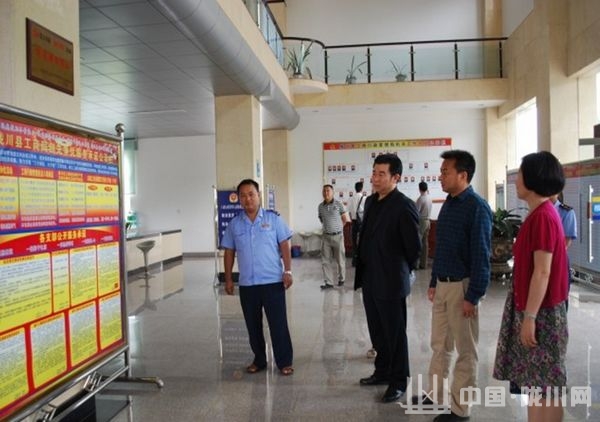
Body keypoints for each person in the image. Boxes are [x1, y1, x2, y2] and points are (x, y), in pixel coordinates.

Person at [414, 150, 492, 422]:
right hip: (443, 285)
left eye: (445, 171)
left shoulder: (477, 207)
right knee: (440, 344)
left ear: (463, 175)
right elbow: (442, 248)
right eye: (441, 171)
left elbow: (481, 255)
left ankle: (461, 409)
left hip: (463, 287)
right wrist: (433, 281)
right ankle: (436, 394)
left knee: (466, 351)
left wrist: (473, 296)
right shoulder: (449, 204)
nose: (441, 176)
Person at [493, 151, 569, 422]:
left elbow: (542, 272)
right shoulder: (538, 214)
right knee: (538, 384)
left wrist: (530, 317)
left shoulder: (543, 218)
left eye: (521, 175)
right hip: (536, 309)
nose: (516, 180)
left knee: (546, 386)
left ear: (534, 179)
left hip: (543, 313)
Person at [355, 153, 421, 403]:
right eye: (374, 172)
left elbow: (414, 248)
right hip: (370, 278)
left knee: (395, 334)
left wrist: (402, 271)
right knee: (377, 330)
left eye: (381, 174)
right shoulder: (371, 201)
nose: (375, 178)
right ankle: (382, 371)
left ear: (396, 177)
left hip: (391, 281)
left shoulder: (403, 205)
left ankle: (398, 381)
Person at [221, 179, 294, 376]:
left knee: (278, 324)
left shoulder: (273, 219)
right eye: (243, 196)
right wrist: (229, 279)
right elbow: (229, 252)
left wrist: (287, 271)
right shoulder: (234, 224)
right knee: (253, 326)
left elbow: (285, 244)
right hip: (248, 284)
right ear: (239, 199)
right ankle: (259, 360)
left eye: (251, 194)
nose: (248, 199)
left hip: (272, 282)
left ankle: (284, 361)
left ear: (259, 195)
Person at [318, 184, 350, 289]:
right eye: (324, 191)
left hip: (338, 236)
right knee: (325, 260)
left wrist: (338, 229)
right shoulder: (320, 207)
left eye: (328, 190)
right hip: (326, 237)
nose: (326, 193)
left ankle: (341, 279)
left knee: (340, 260)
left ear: (333, 192)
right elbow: (322, 220)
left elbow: (345, 220)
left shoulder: (339, 204)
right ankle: (329, 282)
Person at [347, 181, 365, 267]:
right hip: (362, 223)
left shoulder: (351, 199)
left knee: (354, 242)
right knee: (362, 242)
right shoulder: (364, 198)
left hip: (354, 222)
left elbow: (348, 211)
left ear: (355, 188)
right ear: (361, 188)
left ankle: (354, 261)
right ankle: (361, 261)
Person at [415, 181, 433, 269]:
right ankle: (424, 264)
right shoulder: (429, 198)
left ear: (419, 189)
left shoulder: (421, 199)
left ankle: (416, 264)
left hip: (421, 221)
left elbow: (416, 212)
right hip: (428, 221)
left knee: (417, 242)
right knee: (425, 243)